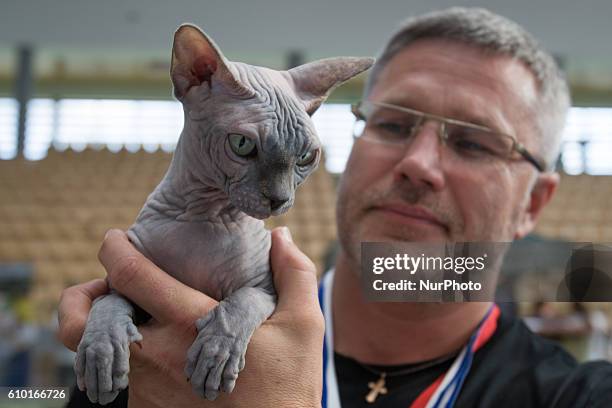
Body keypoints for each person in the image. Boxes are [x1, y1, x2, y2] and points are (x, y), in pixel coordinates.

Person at [58, 7, 612, 408]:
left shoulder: (577, 396)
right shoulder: (158, 352)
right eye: (392, 123)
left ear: (533, 203)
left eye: (474, 142)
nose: (419, 162)